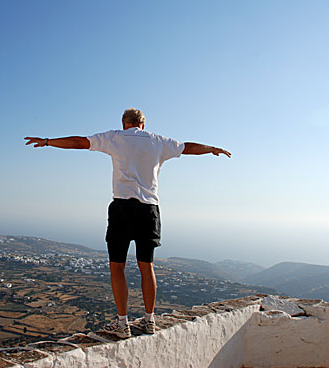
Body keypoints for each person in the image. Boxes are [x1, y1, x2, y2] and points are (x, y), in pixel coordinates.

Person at [24, 108, 231, 338]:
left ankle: (123, 324)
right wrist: (211, 148)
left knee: (117, 266)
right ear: (143, 124)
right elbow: (188, 147)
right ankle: (150, 320)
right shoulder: (158, 141)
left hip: (122, 208)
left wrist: (47, 141)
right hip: (149, 210)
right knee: (147, 266)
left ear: (124, 123)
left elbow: (79, 142)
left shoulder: (115, 137)